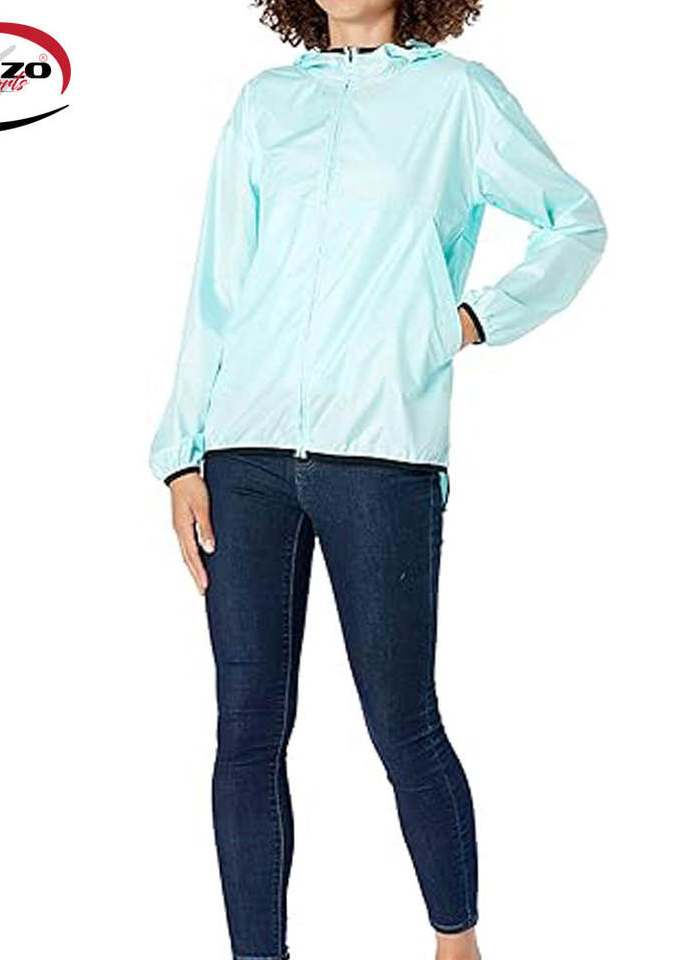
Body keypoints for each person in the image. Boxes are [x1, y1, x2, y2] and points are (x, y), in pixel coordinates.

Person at [150, 2, 606, 957]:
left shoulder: (457, 98)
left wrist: (471, 319)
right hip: (243, 454)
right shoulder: (265, 104)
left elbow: (575, 223)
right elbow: (217, 287)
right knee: (245, 730)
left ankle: (456, 942)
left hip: (384, 453)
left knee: (402, 722)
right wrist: (181, 454)